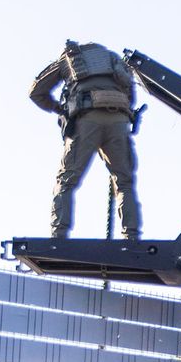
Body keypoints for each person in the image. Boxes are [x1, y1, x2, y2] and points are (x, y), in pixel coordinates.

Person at [29, 40, 141, 239]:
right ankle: (131, 235)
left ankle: (59, 234)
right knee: (124, 182)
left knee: (66, 180)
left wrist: (59, 108)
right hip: (119, 122)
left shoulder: (70, 58)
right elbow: (131, 97)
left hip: (86, 120)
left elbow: (36, 92)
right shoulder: (115, 60)